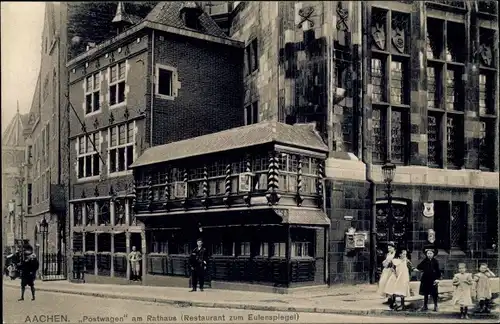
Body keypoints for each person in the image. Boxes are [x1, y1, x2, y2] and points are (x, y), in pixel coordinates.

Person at [416, 246, 441, 311]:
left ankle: (436, 306)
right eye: (428, 253)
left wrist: (438, 279)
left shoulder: (435, 262)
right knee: (426, 293)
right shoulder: (424, 261)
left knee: (434, 293)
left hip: (433, 279)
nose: (429, 255)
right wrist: (422, 269)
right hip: (425, 279)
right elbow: (419, 267)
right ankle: (425, 306)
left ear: (433, 254)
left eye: (430, 253)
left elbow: (438, 271)